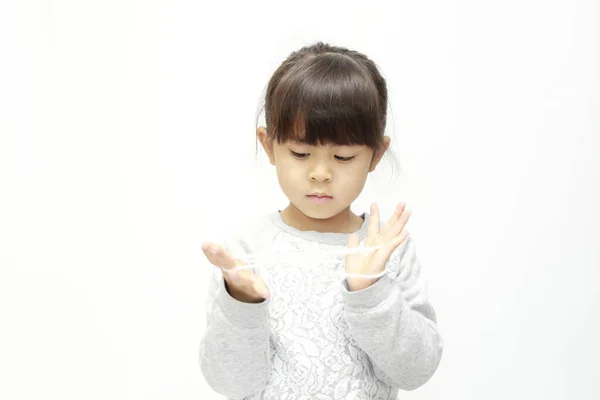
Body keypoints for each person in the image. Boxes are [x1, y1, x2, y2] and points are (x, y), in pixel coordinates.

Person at [199, 42, 443, 399]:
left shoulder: (385, 250)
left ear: (376, 155)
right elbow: (231, 384)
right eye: (300, 153)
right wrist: (241, 305)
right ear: (269, 146)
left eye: (343, 157)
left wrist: (371, 292)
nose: (320, 173)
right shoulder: (247, 252)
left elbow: (415, 372)